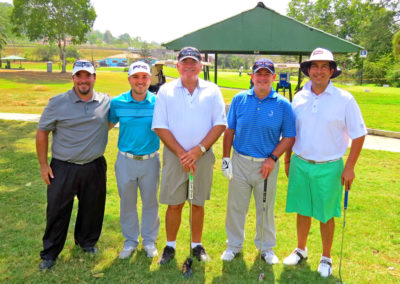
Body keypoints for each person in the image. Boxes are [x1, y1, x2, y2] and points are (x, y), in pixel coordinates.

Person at [283, 47, 366, 277]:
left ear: (331, 71)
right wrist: (288, 160)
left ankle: (326, 257)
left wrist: (349, 167)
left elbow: (359, 134)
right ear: (308, 70)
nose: (318, 71)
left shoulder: (345, 99)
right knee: (302, 209)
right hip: (301, 162)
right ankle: (301, 249)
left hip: (329, 166)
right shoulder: (299, 97)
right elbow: (292, 132)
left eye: (324, 67)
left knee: (326, 214)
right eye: (314, 66)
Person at [152, 46, 227, 264]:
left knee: (197, 203)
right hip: (176, 158)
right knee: (174, 204)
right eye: (184, 62)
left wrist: (197, 151)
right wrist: (183, 154)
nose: (189, 66)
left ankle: (196, 245)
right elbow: (160, 125)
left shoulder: (212, 90)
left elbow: (220, 123)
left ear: (200, 66)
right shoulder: (166, 90)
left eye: (193, 62)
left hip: (202, 158)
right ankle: (170, 245)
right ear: (178, 65)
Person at [36, 60, 110, 270]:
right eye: (79, 76)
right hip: (63, 167)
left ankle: (86, 242)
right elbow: (42, 131)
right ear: (73, 79)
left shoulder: (105, 101)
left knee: (92, 208)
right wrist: (43, 165)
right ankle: (50, 253)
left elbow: (110, 122)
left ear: (94, 78)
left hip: (94, 165)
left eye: (88, 76)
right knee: (57, 211)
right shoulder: (57, 102)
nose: (83, 80)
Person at [220, 58, 296, 263]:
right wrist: (226, 158)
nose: (262, 78)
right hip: (240, 161)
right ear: (252, 77)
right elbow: (230, 130)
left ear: (273, 78)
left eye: (267, 74)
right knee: (236, 206)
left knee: (265, 208)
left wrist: (272, 159)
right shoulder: (239, 99)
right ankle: (234, 245)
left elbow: (289, 136)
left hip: (266, 164)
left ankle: (266, 248)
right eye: (258, 74)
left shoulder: (283, 105)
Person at [108, 61, 161, 259]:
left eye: (144, 77)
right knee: (127, 202)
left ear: (150, 79)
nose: (140, 81)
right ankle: (130, 240)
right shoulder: (117, 102)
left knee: (150, 202)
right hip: (125, 161)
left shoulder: (158, 102)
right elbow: (106, 125)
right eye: (136, 77)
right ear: (129, 79)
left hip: (150, 160)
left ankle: (148, 240)